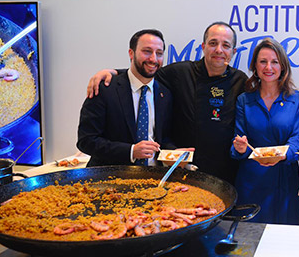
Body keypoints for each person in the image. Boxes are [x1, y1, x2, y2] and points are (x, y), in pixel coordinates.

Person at [86, 22, 247, 184]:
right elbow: (145, 72)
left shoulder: (240, 80)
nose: (219, 50)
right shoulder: (181, 72)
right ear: (203, 47)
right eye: (213, 43)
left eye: (226, 45)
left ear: (233, 52)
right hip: (181, 169)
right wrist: (112, 73)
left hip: (224, 169)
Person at [231, 38, 299, 225]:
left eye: (274, 62)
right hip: (252, 181)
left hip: (284, 180)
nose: (268, 67)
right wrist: (240, 148)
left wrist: (281, 155)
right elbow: (240, 141)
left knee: (284, 242)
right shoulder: (244, 100)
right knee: (248, 242)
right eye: (263, 61)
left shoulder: (296, 99)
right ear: (255, 66)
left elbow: (297, 138)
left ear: (283, 66)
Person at [77, 29, 175, 167]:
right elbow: (86, 141)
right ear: (131, 53)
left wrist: (176, 153)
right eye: (147, 51)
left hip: (154, 179)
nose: (153, 59)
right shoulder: (104, 89)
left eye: (159, 53)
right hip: (111, 178)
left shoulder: (165, 94)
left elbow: (162, 138)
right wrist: (131, 151)